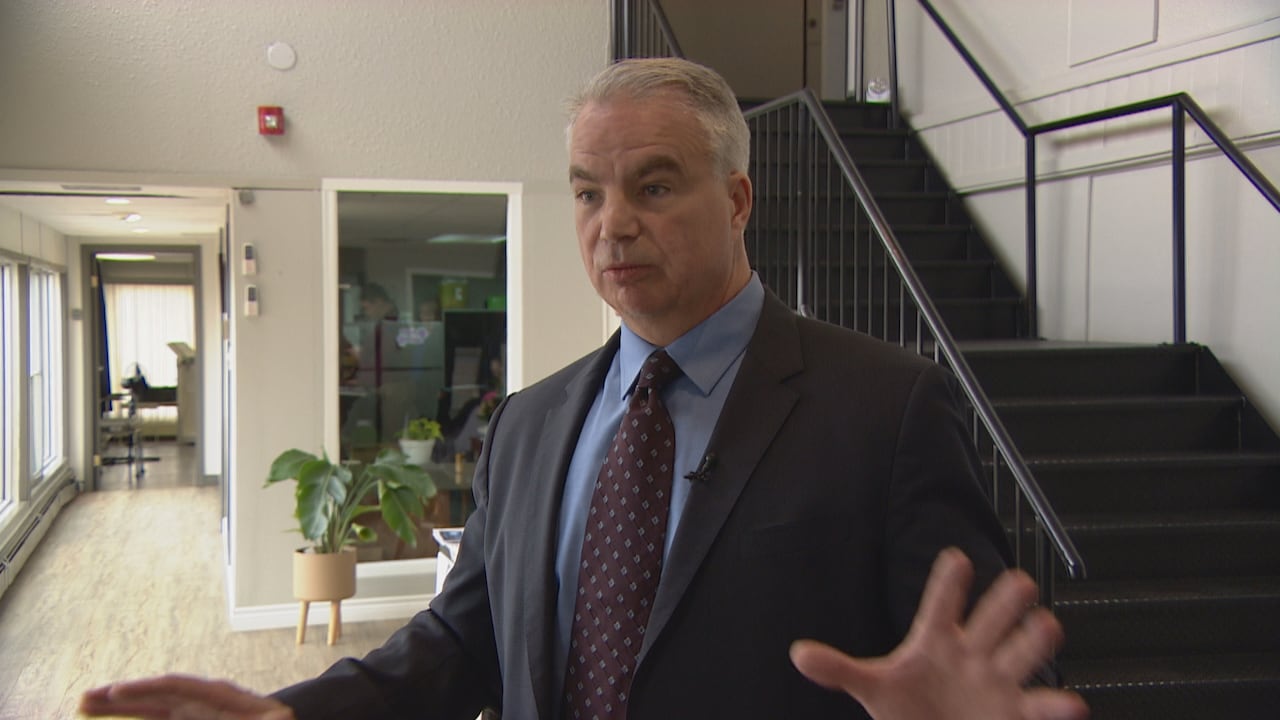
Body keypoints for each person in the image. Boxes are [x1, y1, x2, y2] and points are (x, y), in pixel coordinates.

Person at [82, 58, 1087, 720]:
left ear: (736, 199)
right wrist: (289, 712)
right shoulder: (527, 422)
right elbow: (460, 640)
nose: (611, 224)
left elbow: (988, 675)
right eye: (584, 192)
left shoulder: (885, 409)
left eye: (652, 186)